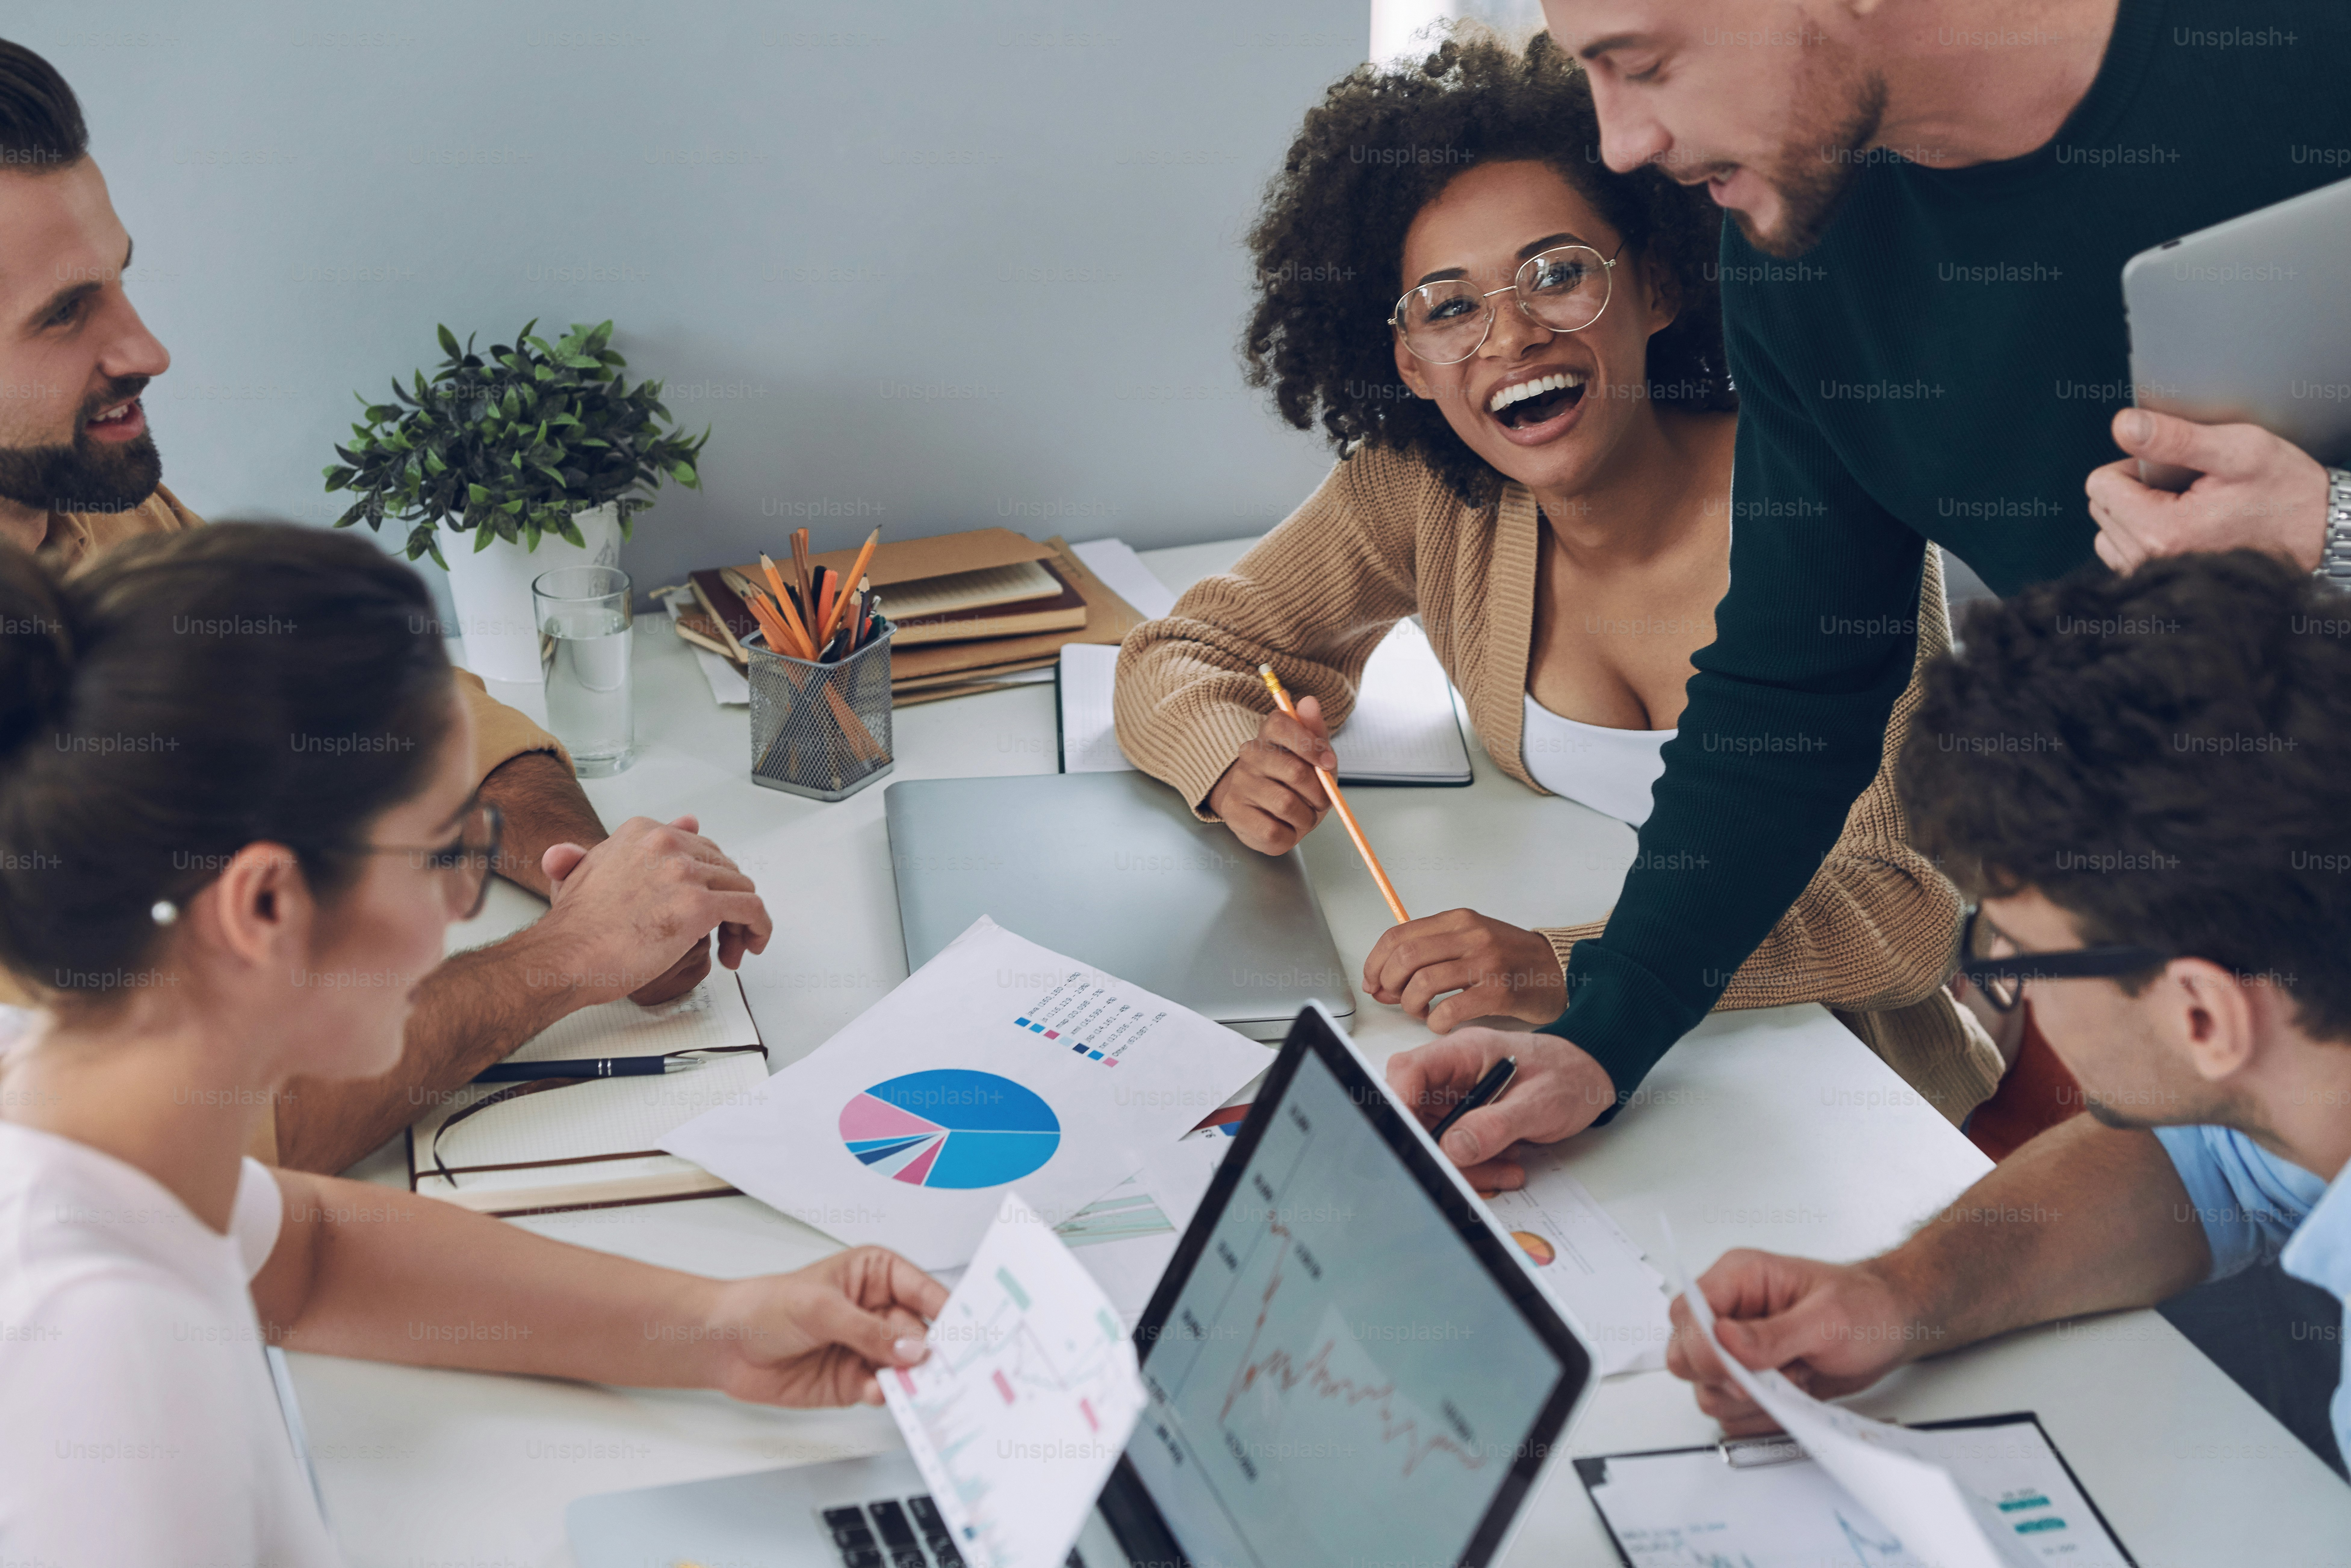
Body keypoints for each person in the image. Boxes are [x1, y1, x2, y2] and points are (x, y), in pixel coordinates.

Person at [1377, 0, 2351, 1169]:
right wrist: (1607, 1026)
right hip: (2240, 1003)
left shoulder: (2301, 55)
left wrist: (2329, 532)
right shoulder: (1799, 240)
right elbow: (1797, 679)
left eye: (1640, 67)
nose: (1623, 141)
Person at [0, 523, 945, 1565]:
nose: (464, 903)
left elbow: (308, 1251)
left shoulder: (81, 1097)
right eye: (447, 851)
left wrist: (721, 1326)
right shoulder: (102, 1353)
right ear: (266, 903)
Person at [1115, 33, 2001, 1137]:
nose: (1511, 332)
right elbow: (1177, 652)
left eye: (1558, 273)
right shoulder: (1425, 491)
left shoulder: (1824, 508)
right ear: (1406, 362)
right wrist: (1227, 759)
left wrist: (1566, 967)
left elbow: (1909, 911)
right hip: (1582, 1064)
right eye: (1448, 308)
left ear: (1661, 280)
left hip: (1833, 1099)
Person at [0, 38, 769, 1173]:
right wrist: (567, 958)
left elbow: (361, 693)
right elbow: (218, 1134)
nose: (149, 348)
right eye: (66, 314)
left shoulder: (91, 504)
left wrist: (591, 872)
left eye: (121, 277)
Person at [1663, 550, 2351, 1473]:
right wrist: (1897, 1295)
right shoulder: (2304, 1065)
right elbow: (2213, 1162)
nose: (1999, 984)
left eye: (2021, 955)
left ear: (2201, 1015)